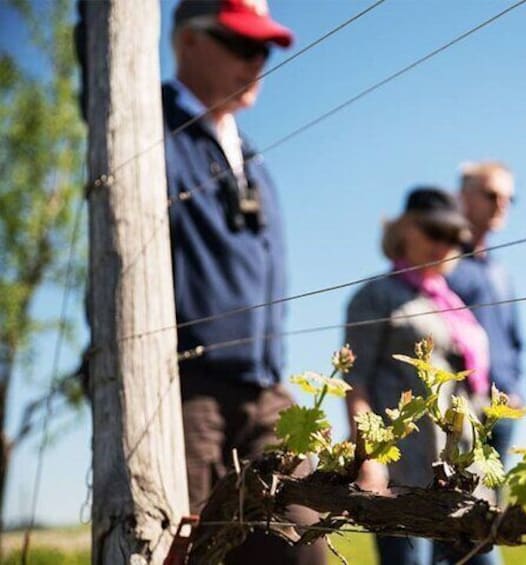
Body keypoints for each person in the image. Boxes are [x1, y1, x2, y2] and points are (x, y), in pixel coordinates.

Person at [163, 1, 325, 562]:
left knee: (302, 544)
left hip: (264, 387)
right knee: (181, 547)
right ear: (187, 41)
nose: (256, 61)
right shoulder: (147, 129)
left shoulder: (252, 156)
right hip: (184, 389)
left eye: (264, 49)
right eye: (240, 45)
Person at [344, 187, 493, 565]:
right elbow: (355, 383)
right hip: (404, 469)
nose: (442, 244)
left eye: (452, 237)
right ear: (404, 230)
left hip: (461, 472)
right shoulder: (374, 297)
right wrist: (370, 458)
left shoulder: (451, 303)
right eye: (433, 231)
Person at [446, 161, 522, 462]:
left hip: (503, 405)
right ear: (462, 197)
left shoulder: (500, 271)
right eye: (491, 195)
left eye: (509, 198)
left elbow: (512, 339)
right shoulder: (443, 263)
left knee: (492, 499)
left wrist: (513, 386)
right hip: (458, 404)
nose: (501, 205)